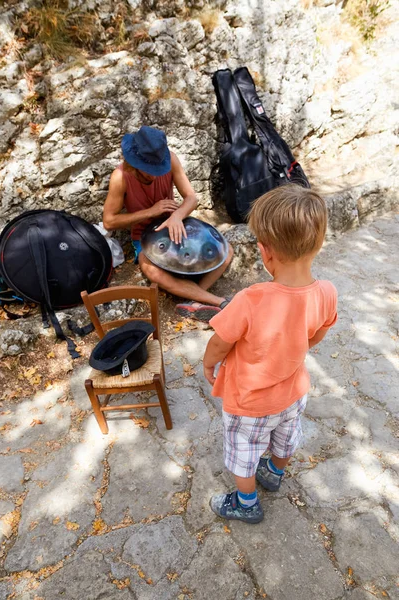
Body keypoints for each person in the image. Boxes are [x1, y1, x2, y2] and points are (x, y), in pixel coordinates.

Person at [203, 185, 338, 524]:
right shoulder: (326, 292)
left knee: (244, 451)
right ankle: (274, 474)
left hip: (250, 402)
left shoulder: (252, 298)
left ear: (266, 251)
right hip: (293, 394)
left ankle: (246, 503)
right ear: (318, 244)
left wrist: (209, 363)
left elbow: (221, 341)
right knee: (286, 437)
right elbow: (317, 333)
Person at [103, 126, 233, 321]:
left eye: (158, 169)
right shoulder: (120, 177)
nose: (155, 176)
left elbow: (191, 197)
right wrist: (151, 212)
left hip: (176, 223)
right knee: (150, 269)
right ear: (135, 164)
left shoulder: (170, 159)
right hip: (145, 235)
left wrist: (177, 215)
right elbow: (109, 220)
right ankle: (220, 302)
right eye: (149, 171)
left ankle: (193, 301)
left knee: (226, 251)